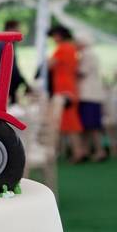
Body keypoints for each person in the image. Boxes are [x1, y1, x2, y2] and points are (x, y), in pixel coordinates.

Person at [47, 25, 87, 162]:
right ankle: (79, 150)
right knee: (70, 122)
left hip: (63, 89)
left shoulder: (62, 48)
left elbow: (49, 65)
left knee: (71, 123)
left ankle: (78, 152)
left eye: (53, 36)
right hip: (71, 87)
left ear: (58, 35)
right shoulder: (72, 48)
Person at [75, 35, 108, 162]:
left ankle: (100, 151)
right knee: (88, 125)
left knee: (92, 125)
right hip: (92, 94)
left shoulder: (87, 55)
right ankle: (87, 150)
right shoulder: (91, 54)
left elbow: (82, 72)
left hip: (89, 95)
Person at [0, 19, 31, 103]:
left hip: (3, 82)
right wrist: (24, 82)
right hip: (6, 83)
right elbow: (12, 68)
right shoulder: (6, 45)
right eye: (17, 28)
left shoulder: (1, 43)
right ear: (10, 29)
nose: (19, 31)